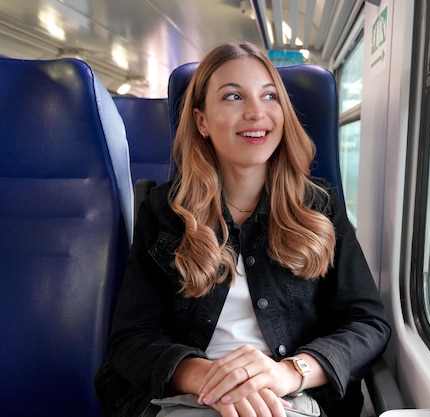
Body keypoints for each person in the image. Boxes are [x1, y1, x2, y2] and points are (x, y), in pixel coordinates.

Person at [95, 42, 390, 417]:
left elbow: (367, 324)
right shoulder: (165, 212)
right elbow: (131, 339)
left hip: (290, 399)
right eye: (234, 96)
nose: (256, 112)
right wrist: (210, 378)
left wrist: (290, 372)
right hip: (189, 398)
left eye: (269, 96)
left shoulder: (319, 209)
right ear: (202, 121)